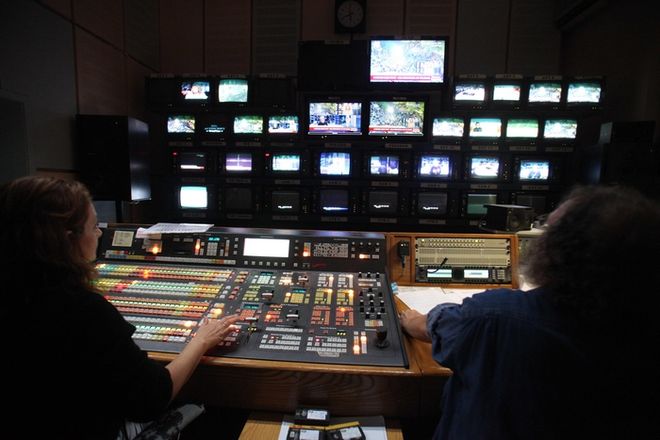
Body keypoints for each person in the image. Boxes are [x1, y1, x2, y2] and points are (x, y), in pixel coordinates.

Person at [400, 185, 660, 439]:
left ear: (557, 251)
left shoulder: (496, 316)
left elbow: (436, 327)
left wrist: (413, 320)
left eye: (547, 231)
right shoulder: (642, 335)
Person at [0, 176, 241, 439]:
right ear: (68, 240)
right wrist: (200, 341)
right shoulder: (84, 311)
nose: (100, 234)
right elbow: (152, 397)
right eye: (94, 227)